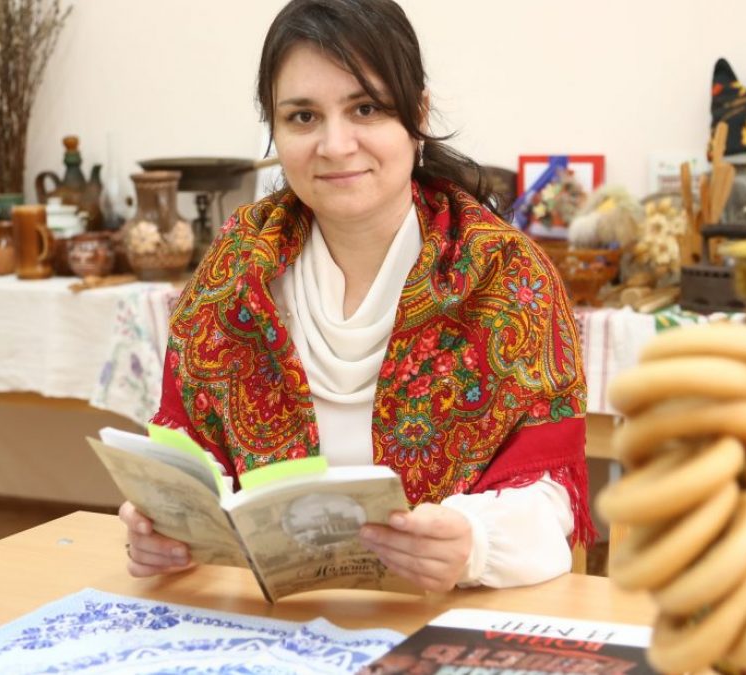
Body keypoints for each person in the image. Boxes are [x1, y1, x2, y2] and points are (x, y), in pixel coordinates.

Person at [119, 0, 591, 593]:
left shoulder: (504, 275)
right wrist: (165, 528)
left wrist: (473, 544)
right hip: (268, 619)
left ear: (417, 115)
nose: (336, 145)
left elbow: (549, 499)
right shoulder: (236, 268)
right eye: (303, 117)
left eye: (365, 109)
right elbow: (189, 463)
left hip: (442, 614)